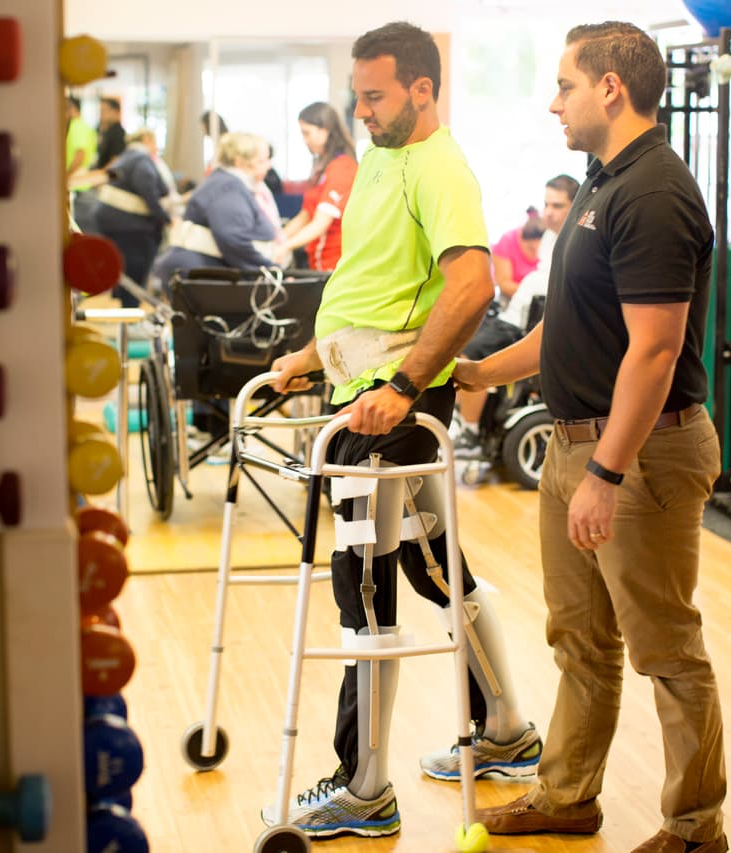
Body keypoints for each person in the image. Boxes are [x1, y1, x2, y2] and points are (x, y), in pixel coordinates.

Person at [263, 21, 540, 841]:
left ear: (423, 88)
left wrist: (404, 385)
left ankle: (365, 787)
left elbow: (471, 285)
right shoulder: (383, 155)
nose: (363, 110)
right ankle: (506, 731)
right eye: (358, 95)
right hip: (362, 394)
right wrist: (312, 355)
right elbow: (374, 283)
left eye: (376, 95)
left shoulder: (440, 167)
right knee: (432, 566)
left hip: (391, 410)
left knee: (365, 583)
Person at [456, 22, 727, 853]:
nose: (554, 103)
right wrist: (477, 372)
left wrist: (606, 473)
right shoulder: (601, 182)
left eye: (566, 85)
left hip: (638, 454)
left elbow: (655, 351)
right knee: (579, 639)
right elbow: (568, 327)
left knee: (666, 648)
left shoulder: (653, 193)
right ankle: (569, 794)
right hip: (576, 446)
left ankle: (696, 828)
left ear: (611, 88)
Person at [452, 174, 579, 450]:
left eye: (557, 206)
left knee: (472, 351)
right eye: (546, 204)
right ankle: (466, 418)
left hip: (528, 326)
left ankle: (470, 430)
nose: (548, 212)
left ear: (575, 204)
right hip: (512, 316)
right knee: (458, 338)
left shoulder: (576, 240)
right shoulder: (549, 237)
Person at [151, 132, 278, 291]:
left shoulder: (225, 183)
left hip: (199, 271)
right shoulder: (228, 187)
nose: (268, 166)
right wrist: (268, 269)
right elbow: (232, 239)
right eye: (262, 161)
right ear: (239, 162)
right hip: (200, 275)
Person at [73, 131, 170, 306]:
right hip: (130, 225)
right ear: (147, 140)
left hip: (110, 220)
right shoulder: (141, 159)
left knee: (123, 268)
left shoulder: (125, 158)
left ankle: (124, 304)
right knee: (135, 270)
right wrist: (165, 218)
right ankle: (130, 308)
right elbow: (149, 189)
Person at [276, 101, 358, 272]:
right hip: (318, 262)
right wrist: (278, 239)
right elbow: (306, 215)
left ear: (324, 130)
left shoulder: (343, 167)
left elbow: (321, 222)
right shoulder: (322, 167)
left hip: (335, 263)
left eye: (307, 133)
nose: (304, 140)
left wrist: (286, 246)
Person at [491, 208, 545, 303]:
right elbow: (504, 285)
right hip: (510, 301)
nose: (536, 252)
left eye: (540, 248)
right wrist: (535, 292)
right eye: (530, 248)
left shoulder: (549, 242)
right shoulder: (507, 241)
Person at [65, 95, 97, 184]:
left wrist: (65, 176)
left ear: (71, 108)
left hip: (76, 183)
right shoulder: (83, 125)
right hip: (79, 181)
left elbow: (80, 154)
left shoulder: (77, 126)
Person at [94, 96, 127, 169]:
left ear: (115, 112)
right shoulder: (106, 131)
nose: (101, 114)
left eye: (104, 110)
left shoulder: (118, 133)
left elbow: (116, 161)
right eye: (100, 111)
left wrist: (100, 173)